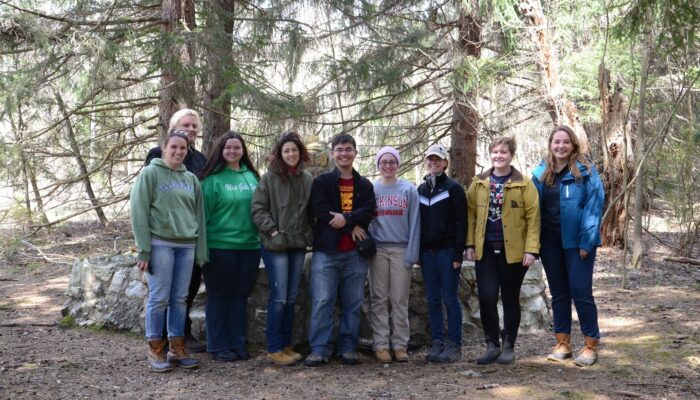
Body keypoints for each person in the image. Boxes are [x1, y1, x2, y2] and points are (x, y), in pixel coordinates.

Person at [131, 130, 206, 372]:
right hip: (160, 244)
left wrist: (201, 250)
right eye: (173, 147)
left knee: (180, 298)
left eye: (182, 148)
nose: (178, 151)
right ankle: (155, 349)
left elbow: (199, 217)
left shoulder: (191, 179)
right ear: (164, 148)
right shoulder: (150, 173)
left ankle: (177, 348)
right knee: (159, 297)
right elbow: (138, 212)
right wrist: (143, 250)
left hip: (187, 246)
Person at [532, 125, 604, 367]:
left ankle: (590, 345)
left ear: (573, 145)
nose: (560, 146)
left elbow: (594, 206)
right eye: (556, 142)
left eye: (565, 142)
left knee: (581, 292)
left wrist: (587, 240)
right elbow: (532, 208)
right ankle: (563, 343)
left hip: (578, 243)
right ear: (550, 145)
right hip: (550, 243)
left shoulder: (586, 171)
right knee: (559, 294)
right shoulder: (541, 172)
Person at [465, 137, 540, 365]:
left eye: (504, 152)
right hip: (485, 250)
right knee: (487, 297)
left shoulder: (524, 184)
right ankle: (492, 345)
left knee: (509, 298)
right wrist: (469, 244)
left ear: (511, 155)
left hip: (514, 252)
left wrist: (531, 250)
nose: (499, 156)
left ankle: (508, 345)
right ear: (490, 154)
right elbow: (470, 215)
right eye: (495, 152)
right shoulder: (479, 183)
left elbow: (534, 219)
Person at [304, 133, 376, 367]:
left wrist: (348, 220)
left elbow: (369, 210)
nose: (344, 153)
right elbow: (321, 211)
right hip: (326, 253)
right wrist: (350, 225)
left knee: (353, 303)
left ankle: (347, 347)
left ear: (355, 152)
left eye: (348, 149)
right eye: (340, 149)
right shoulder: (322, 182)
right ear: (332, 153)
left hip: (355, 254)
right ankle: (319, 349)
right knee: (322, 301)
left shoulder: (364, 184)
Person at [145, 108, 208, 352]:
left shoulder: (201, 160)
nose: (191, 129)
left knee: (186, 290)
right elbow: (148, 198)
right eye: (186, 124)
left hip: (188, 238)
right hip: (162, 238)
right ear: (172, 127)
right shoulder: (156, 155)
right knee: (161, 293)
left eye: (194, 126)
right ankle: (157, 340)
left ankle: (181, 335)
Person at [251, 132, 313, 366]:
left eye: (294, 150)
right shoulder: (269, 178)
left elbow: (311, 210)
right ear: (280, 153)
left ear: (300, 153)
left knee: (291, 296)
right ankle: (274, 347)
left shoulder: (307, 178)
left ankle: (286, 345)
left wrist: (309, 233)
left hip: (297, 244)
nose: (290, 154)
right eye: (286, 150)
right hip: (275, 245)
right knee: (279, 297)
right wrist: (273, 231)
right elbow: (257, 209)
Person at [199, 131, 261, 362]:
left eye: (237, 147)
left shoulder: (253, 177)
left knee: (240, 296)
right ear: (220, 151)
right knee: (219, 295)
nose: (232, 151)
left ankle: (238, 342)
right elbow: (202, 217)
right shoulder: (211, 180)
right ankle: (217, 345)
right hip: (220, 246)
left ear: (243, 150)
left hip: (250, 247)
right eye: (228, 148)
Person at [367, 146, 420, 363]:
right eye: (383, 162)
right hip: (378, 250)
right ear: (378, 165)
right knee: (378, 298)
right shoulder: (371, 189)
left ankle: (399, 345)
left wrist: (412, 252)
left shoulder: (409, 189)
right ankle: (381, 345)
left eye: (392, 162)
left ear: (398, 164)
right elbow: (367, 221)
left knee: (399, 299)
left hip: (401, 248)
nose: (388, 166)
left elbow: (416, 222)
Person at [418, 144, 467, 363]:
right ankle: (437, 342)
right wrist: (418, 253)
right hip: (427, 253)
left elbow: (462, 223)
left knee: (449, 298)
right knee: (432, 299)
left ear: (445, 162)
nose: (433, 163)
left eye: (437, 159)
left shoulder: (454, 188)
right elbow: (418, 224)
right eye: (430, 160)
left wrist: (458, 254)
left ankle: (454, 345)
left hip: (447, 252)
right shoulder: (421, 190)